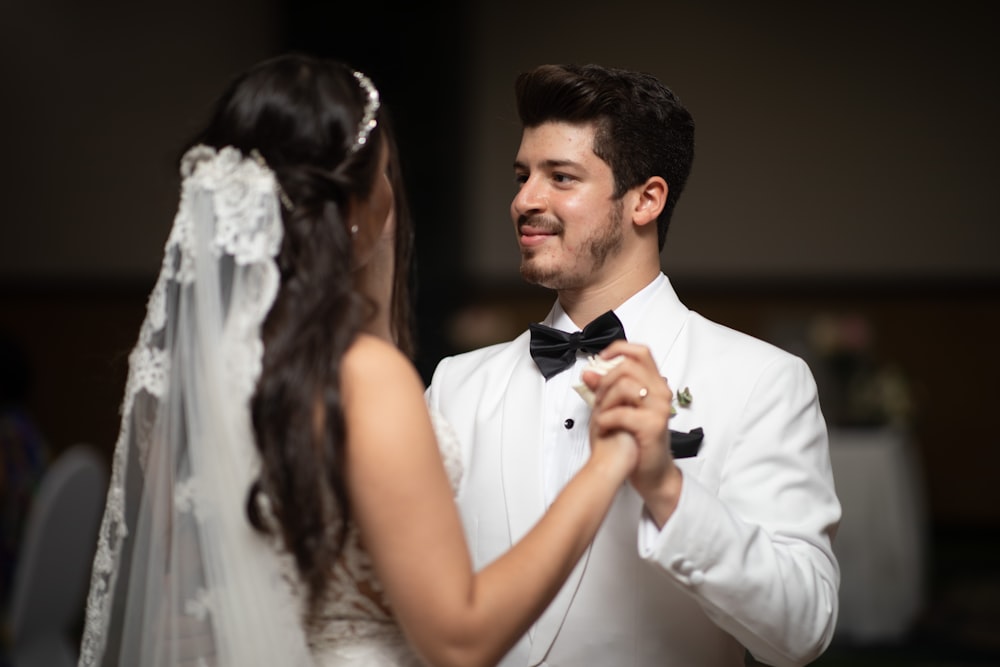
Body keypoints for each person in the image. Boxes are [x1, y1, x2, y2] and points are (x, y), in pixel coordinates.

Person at [77, 54, 639, 667]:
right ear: (353, 207)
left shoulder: (193, 382)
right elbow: (460, 637)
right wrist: (606, 464)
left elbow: (181, 622)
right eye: (386, 174)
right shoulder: (363, 376)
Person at [425, 63, 842, 666]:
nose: (523, 201)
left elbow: (801, 631)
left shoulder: (763, 382)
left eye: (560, 177)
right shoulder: (456, 385)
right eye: (521, 176)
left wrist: (668, 489)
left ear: (646, 199)